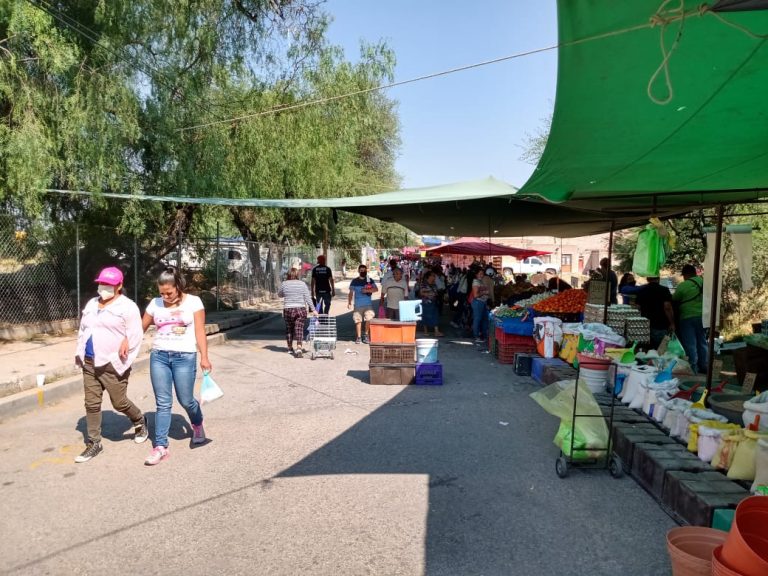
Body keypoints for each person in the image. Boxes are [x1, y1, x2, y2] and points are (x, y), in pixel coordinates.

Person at [73, 266, 147, 463]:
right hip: (90, 361)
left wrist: (126, 343)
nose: (104, 287)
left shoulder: (128, 307)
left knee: (119, 402)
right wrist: (79, 352)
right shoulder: (91, 304)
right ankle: (94, 442)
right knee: (91, 403)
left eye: (109, 284)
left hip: (112, 363)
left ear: (119, 285)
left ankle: (139, 420)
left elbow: (136, 334)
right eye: (101, 283)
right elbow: (83, 330)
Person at [142, 266, 210, 466]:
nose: (165, 297)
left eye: (169, 293)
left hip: (185, 357)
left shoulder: (194, 302)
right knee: (163, 403)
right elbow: (140, 328)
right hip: (159, 356)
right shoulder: (155, 304)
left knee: (186, 400)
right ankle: (160, 446)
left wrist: (204, 357)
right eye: (161, 293)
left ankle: (197, 423)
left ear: (178, 286)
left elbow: (200, 331)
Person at [673, 264, 707, 373]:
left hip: (687, 317)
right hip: (702, 317)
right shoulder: (704, 282)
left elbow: (674, 299)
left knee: (690, 344)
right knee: (702, 342)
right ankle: (704, 365)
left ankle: (693, 368)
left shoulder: (683, 285)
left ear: (686, 274)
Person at [279, 268, 316, 357]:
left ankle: (290, 348)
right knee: (299, 328)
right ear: (297, 275)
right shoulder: (302, 284)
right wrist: (314, 309)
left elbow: (280, 294)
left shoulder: (284, 284)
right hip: (300, 309)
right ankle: (299, 348)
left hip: (288, 309)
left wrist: (287, 292)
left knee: (289, 329)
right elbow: (307, 298)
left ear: (288, 275)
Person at [635, 277, 675, 349]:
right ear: (658, 279)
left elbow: (637, 308)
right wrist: (672, 323)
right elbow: (667, 307)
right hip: (660, 325)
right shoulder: (664, 289)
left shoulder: (641, 290)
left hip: (645, 326)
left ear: (647, 279)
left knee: (646, 350)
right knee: (661, 350)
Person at [348, 264, 378, 344]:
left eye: (364, 270)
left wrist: (367, 290)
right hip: (358, 305)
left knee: (369, 319)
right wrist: (349, 302)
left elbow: (376, 289)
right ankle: (359, 337)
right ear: (358, 271)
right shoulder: (354, 281)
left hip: (368, 305)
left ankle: (366, 335)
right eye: (361, 270)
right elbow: (351, 292)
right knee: (358, 321)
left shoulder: (369, 280)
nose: (363, 272)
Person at [417, 271, 444, 337]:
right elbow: (421, 293)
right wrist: (430, 294)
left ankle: (436, 331)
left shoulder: (434, 285)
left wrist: (434, 294)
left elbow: (436, 293)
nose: (434, 277)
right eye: (432, 276)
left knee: (435, 316)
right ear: (428, 277)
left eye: (434, 276)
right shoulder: (423, 284)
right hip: (426, 303)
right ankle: (426, 331)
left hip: (433, 303)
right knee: (425, 316)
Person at [470, 268, 491, 343]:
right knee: (477, 319)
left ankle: (484, 336)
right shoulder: (475, 282)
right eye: (480, 274)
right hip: (478, 302)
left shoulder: (480, 281)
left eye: (482, 274)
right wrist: (484, 293)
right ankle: (476, 336)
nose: (481, 275)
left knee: (484, 319)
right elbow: (475, 295)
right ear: (476, 274)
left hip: (482, 302)